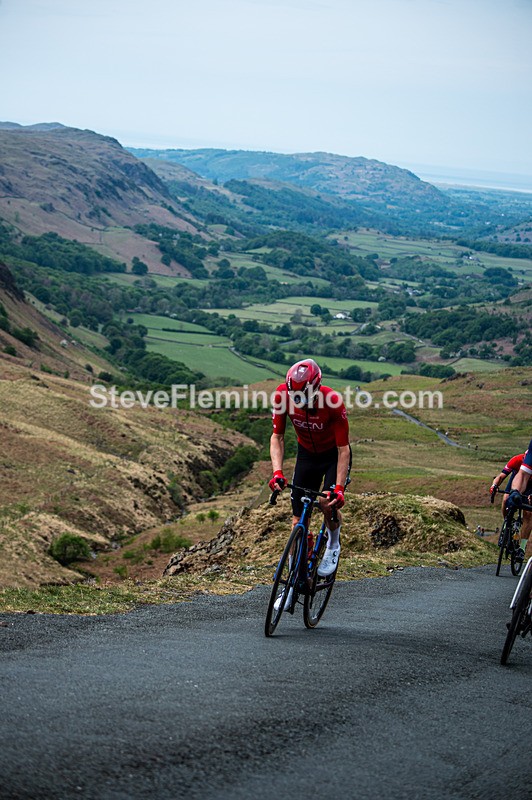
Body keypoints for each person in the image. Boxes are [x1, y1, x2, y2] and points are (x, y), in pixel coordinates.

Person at [268, 359, 351, 599]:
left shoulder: (332, 401)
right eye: (294, 395)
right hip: (307, 455)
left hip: (332, 455)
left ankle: (333, 543)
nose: (298, 401)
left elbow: (343, 449)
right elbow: (277, 437)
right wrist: (277, 472)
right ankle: (293, 584)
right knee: (297, 522)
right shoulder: (281, 396)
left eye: (303, 395)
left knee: (327, 502)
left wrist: (338, 488)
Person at [492, 445, 532, 559]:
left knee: (528, 513)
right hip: (517, 481)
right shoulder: (517, 459)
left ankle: (522, 549)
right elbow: (501, 476)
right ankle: (507, 523)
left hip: (531, 487)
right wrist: (494, 485)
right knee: (505, 499)